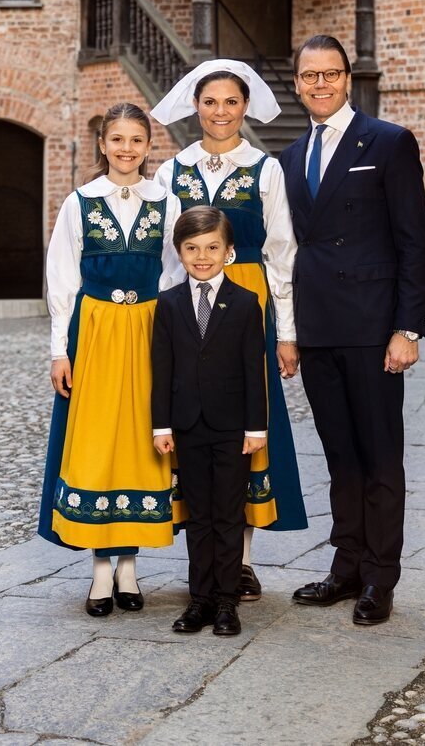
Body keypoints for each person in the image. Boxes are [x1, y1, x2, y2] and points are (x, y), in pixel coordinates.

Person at [277, 35, 425, 626]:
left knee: (379, 456)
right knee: (339, 456)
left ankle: (380, 579)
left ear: (348, 79)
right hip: (317, 329)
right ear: (297, 83)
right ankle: (346, 567)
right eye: (309, 76)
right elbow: (289, 249)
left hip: (372, 328)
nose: (320, 84)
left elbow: (412, 241)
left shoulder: (388, 142)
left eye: (330, 74)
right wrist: (289, 330)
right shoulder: (290, 158)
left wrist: (407, 328)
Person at [152, 59, 308, 602]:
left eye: (231, 102)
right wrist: (164, 319)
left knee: (245, 424)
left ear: (245, 108)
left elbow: (282, 254)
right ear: (196, 107)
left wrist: (285, 332)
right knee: (194, 420)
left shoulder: (266, 170)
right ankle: (203, 554)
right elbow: (168, 260)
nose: (220, 112)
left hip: (248, 305)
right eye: (210, 102)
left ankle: (240, 560)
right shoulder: (173, 171)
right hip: (188, 308)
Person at [37, 102, 183, 617]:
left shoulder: (166, 203)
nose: (126, 149)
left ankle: (129, 568)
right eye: (116, 139)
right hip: (94, 332)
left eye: (136, 140)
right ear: (102, 145)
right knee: (98, 444)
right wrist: (61, 349)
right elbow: (62, 281)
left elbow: (174, 275)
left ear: (149, 146)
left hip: (147, 329)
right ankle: (101, 571)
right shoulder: (80, 203)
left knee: (143, 443)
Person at [151, 206, 268, 636]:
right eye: (192, 248)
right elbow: (160, 369)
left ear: (229, 252)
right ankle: (198, 599)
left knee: (227, 515)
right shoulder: (167, 303)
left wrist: (257, 428)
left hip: (233, 427)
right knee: (198, 516)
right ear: (179, 253)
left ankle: (226, 602)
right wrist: (160, 426)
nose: (203, 257)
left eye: (212, 247)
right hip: (187, 426)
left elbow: (254, 371)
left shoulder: (244, 303)